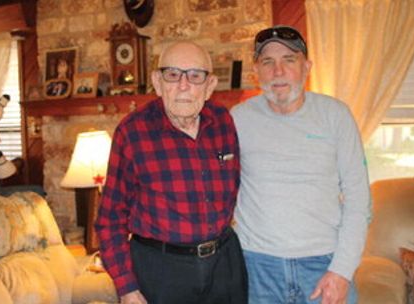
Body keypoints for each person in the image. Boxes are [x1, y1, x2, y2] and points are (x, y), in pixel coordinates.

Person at [95, 41, 248, 304]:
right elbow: (110, 219)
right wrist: (127, 289)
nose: (184, 86)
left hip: (224, 265)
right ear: (157, 81)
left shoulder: (223, 121)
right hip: (160, 271)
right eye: (173, 75)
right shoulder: (132, 132)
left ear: (210, 85)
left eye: (195, 76)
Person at [231, 25, 371, 304]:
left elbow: (359, 201)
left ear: (307, 67)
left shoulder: (336, 115)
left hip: (324, 265)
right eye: (267, 62)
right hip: (256, 267)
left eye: (289, 60)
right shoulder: (237, 119)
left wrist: (341, 271)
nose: (278, 71)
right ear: (256, 70)